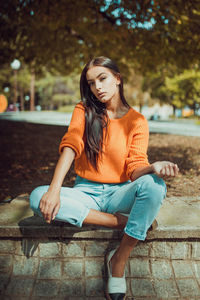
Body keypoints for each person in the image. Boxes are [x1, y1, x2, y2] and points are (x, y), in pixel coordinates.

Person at [30, 56, 179, 300]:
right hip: (85, 193)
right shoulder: (83, 110)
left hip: (120, 193)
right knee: (38, 197)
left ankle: (118, 261)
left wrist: (153, 168)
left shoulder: (138, 121)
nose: (97, 87)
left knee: (155, 186)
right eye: (91, 83)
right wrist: (55, 189)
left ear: (117, 79)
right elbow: (71, 146)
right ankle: (122, 223)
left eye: (103, 78)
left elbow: (134, 168)